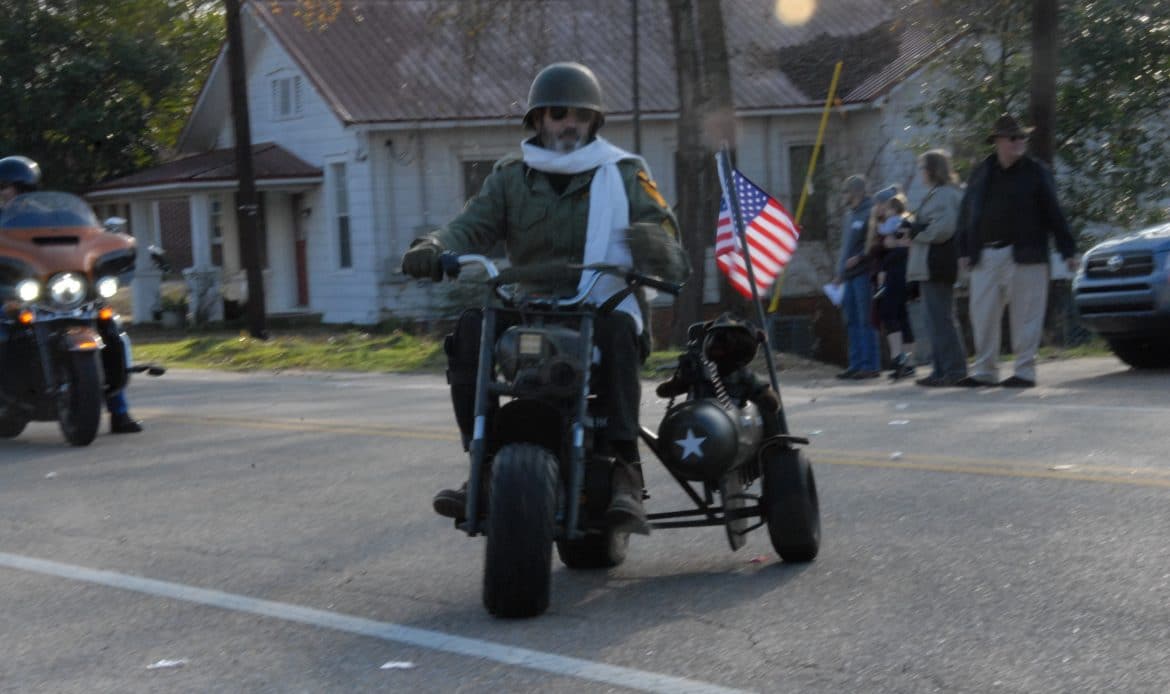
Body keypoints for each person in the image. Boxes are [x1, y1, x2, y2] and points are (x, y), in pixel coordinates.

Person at [400, 62, 689, 534]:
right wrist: (433, 247)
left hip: (602, 305)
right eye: (558, 113)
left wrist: (657, 245)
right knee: (471, 329)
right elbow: (471, 226)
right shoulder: (510, 176)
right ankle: (483, 463)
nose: (569, 123)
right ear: (538, 119)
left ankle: (624, 471)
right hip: (530, 305)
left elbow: (667, 238)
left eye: (581, 114)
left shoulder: (625, 172)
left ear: (594, 122)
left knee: (618, 333)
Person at [0, 155, 143, 433]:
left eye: (7, 187)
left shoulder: (50, 214)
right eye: (2, 187)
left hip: (62, 288)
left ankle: (119, 411)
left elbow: (85, 236)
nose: (4, 193)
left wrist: (109, 240)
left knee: (109, 327)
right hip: (13, 290)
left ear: (24, 188)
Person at [955, 115, 1078, 388]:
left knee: (1026, 316)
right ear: (998, 141)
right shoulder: (982, 171)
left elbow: (1054, 212)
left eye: (1023, 137)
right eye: (1013, 138)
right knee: (982, 316)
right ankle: (985, 371)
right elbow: (966, 212)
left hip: (1025, 254)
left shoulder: (1036, 171)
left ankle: (1024, 372)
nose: (1019, 142)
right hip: (985, 254)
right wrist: (963, 249)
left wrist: (1067, 249)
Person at [905, 149, 969, 387]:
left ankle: (954, 370)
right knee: (934, 320)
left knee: (941, 319)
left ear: (932, 170)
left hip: (937, 264)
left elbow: (943, 228)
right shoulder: (940, 193)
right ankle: (941, 369)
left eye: (922, 168)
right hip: (931, 264)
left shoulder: (944, 194)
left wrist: (916, 231)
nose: (920, 173)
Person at [831, 174, 880, 379]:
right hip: (848, 277)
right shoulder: (850, 215)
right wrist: (839, 273)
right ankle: (856, 363)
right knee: (851, 320)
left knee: (865, 319)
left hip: (863, 274)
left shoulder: (870, 212)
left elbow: (875, 242)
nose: (844, 196)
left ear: (856, 192)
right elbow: (845, 248)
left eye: (846, 192)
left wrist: (860, 257)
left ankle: (870, 365)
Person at [873, 194, 916, 380]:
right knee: (902, 316)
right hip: (899, 272)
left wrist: (894, 241)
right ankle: (908, 363)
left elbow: (902, 242)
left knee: (890, 314)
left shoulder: (900, 224)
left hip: (897, 273)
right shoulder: (902, 223)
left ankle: (899, 359)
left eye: (887, 207)